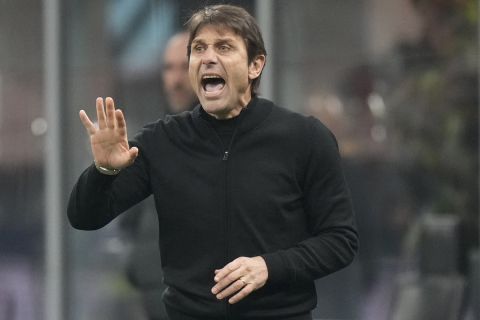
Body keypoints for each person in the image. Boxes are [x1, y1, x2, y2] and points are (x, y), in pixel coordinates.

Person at [67, 4, 358, 320]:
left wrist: (269, 267)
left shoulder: (305, 138)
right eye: (198, 48)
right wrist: (103, 171)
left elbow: (339, 240)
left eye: (224, 47)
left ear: (255, 65)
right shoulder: (161, 140)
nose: (207, 57)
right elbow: (85, 217)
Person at [120, 31, 198, 320]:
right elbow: (131, 216)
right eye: (169, 68)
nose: (176, 79)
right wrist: (137, 266)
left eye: (184, 67)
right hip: (154, 291)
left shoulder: (220, 139)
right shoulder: (154, 137)